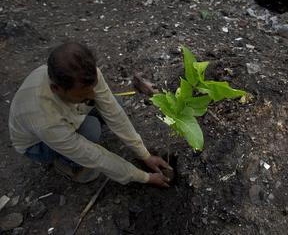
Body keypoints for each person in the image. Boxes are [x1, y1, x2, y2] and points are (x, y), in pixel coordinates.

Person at [8, 42, 171, 187]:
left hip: (66, 110)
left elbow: (114, 112)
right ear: (56, 89)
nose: (93, 96)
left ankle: (78, 114)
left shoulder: (83, 73)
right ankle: (67, 164)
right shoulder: (45, 118)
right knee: (91, 129)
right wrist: (144, 177)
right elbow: (96, 157)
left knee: (114, 103)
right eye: (82, 95)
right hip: (36, 145)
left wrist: (144, 154)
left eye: (92, 89)